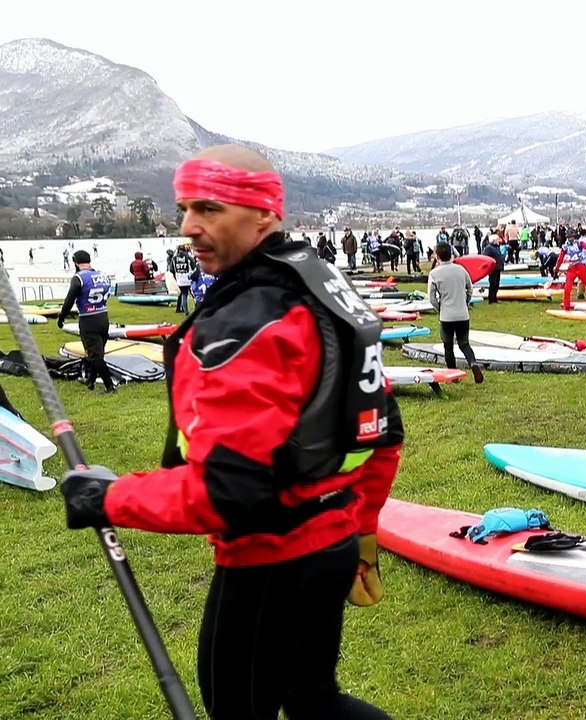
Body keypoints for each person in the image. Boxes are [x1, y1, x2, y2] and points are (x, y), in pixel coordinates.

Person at [57, 145, 399, 720]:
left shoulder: (244, 325)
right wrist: (359, 533)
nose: (188, 226)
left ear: (263, 213)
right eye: (185, 208)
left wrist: (108, 497)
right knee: (314, 701)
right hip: (331, 546)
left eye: (210, 208)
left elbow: (229, 494)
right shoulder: (322, 285)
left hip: (270, 563)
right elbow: (384, 434)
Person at [56, 250, 114, 394]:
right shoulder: (103, 275)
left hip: (88, 319)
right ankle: (91, 381)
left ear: (75, 262)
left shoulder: (78, 278)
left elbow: (69, 300)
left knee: (95, 355)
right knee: (97, 352)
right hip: (103, 316)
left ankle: (110, 387)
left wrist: (62, 316)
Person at [428, 243, 485, 383]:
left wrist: (439, 309)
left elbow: (431, 297)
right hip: (462, 314)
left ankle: (454, 376)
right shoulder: (461, 269)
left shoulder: (434, 273)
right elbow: (470, 289)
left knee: (448, 346)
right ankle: (473, 363)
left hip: (446, 315)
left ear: (438, 256)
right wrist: (465, 302)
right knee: (464, 343)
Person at [553, 230, 586, 310]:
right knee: (567, 288)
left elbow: (585, 245)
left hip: (581, 267)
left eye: (572, 237)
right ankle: (566, 306)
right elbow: (560, 259)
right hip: (572, 268)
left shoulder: (579, 243)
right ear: (567, 237)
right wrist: (556, 271)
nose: (571, 238)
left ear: (574, 237)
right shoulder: (565, 247)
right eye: (569, 237)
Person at [481, 233, 505, 304]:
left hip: (498, 268)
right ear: (494, 240)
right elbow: (486, 258)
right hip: (492, 269)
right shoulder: (489, 248)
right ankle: (491, 299)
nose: (499, 241)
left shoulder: (496, 247)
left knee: (496, 284)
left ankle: (495, 298)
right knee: (493, 284)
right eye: (497, 239)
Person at [172, 244, 195, 314]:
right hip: (189, 278)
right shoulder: (188, 257)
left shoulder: (174, 259)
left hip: (179, 279)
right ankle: (197, 308)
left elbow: (172, 269)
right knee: (194, 294)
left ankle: (186, 311)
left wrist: (176, 277)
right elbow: (194, 267)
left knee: (183, 295)